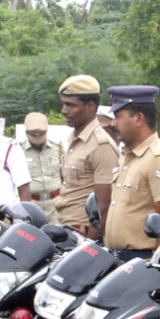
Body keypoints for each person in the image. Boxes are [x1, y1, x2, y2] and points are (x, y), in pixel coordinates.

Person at [102, 85, 160, 259]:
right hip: (117, 259)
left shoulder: (159, 159)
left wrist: (156, 266)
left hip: (141, 261)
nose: (113, 123)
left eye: (117, 117)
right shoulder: (127, 155)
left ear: (138, 118)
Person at [57, 74, 119, 239]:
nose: (64, 111)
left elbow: (103, 206)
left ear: (90, 106)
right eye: (63, 104)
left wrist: (88, 246)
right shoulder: (73, 139)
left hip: (82, 235)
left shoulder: (101, 145)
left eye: (71, 105)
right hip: (65, 230)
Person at [22, 112, 61, 222]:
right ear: (27, 133)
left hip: (55, 205)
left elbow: (66, 178)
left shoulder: (58, 149)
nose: (38, 138)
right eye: (34, 134)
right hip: (32, 205)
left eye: (41, 134)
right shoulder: (18, 151)